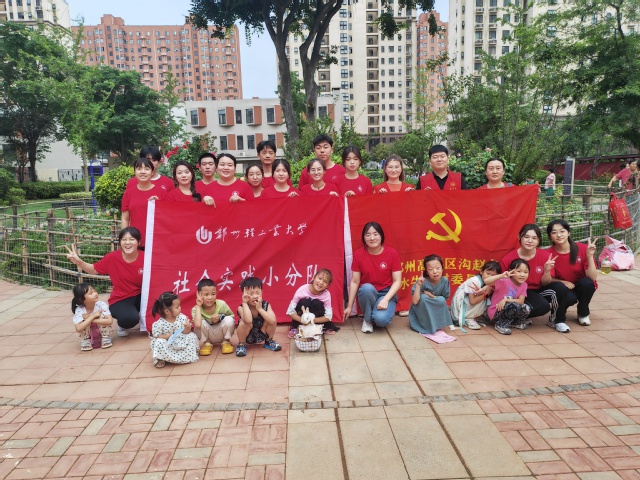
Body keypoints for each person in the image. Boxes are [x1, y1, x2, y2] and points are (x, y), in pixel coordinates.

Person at [65, 227, 144, 337]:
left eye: (131, 239)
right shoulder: (112, 258)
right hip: (122, 298)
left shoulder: (146, 257)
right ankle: (124, 324)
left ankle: (143, 317)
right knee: (129, 318)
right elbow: (93, 269)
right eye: (124, 239)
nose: (127, 242)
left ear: (139, 242)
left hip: (143, 295)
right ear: (120, 242)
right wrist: (79, 261)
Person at [344, 222, 402, 333]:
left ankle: (375, 314)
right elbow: (355, 281)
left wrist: (386, 299)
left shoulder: (392, 253)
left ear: (381, 236)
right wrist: (349, 306)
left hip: (386, 293)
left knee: (381, 320)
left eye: (375, 234)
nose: (372, 238)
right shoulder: (359, 254)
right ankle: (367, 320)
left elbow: (397, 281)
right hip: (368, 293)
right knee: (366, 288)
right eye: (368, 235)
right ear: (363, 238)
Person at [545, 219, 598, 331]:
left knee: (587, 283)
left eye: (562, 231)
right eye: (554, 232)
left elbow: (592, 277)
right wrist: (563, 282)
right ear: (550, 237)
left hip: (579, 285)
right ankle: (558, 316)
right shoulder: (548, 254)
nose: (559, 235)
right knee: (568, 296)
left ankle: (583, 313)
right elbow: (547, 279)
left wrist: (589, 256)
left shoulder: (583, 249)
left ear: (568, 232)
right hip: (563, 288)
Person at [500, 224, 558, 325]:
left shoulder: (546, 256)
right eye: (526, 237)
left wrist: (547, 270)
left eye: (534, 238)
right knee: (541, 305)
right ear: (519, 237)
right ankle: (511, 315)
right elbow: (502, 282)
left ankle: (519, 315)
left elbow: (545, 283)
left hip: (537, 290)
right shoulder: (509, 258)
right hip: (516, 291)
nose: (530, 241)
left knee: (556, 293)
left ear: (538, 240)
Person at [121, 157, 167, 246]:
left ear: (152, 172)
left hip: (157, 241)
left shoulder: (161, 193)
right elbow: (125, 219)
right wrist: (125, 239)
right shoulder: (128, 193)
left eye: (146, 169)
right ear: (134, 172)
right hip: (135, 240)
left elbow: (167, 218)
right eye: (139, 169)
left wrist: (159, 204)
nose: (142, 172)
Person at [150, 291, 199, 368]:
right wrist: (168, 336)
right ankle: (161, 358)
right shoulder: (159, 324)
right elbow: (157, 336)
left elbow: (186, 332)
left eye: (179, 305)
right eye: (177, 307)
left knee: (192, 336)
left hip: (181, 341)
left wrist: (187, 327)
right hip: (168, 343)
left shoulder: (182, 318)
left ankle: (188, 355)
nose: (180, 308)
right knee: (158, 342)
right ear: (167, 311)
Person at [235, 277, 282, 357]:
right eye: (251, 294)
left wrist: (260, 309)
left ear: (261, 292)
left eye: (258, 293)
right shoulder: (241, 307)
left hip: (262, 333)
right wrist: (245, 303)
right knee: (244, 322)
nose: (255, 296)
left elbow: (272, 321)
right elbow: (248, 320)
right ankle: (241, 344)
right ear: (244, 294)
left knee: (270, 319)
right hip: (248, 335)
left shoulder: (266, 305)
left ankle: (269, 341)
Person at [450, 261, 504, 330]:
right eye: (488, 273)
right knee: (484, 299)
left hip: (468, 303)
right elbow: (472, 301)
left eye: (493, 276)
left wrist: (486, 294)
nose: (490, 277)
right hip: (459, 309)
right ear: (481, 272)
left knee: (488, 299)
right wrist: (487, 293)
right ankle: (468, 318)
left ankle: (472, 317)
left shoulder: (491, 284)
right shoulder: (475, 281)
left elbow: (486, 297)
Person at [286, 268, 339, 338]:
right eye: (320, 278)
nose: (321, 282)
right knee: (305, 302)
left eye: (325, 281)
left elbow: (328, 316)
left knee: (317, 303)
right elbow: (290, 312)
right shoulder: (302, 290)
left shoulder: (326, 294)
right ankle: (295, 327)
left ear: (327, 286)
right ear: (314, 277)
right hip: (302, 318)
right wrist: (303, 320)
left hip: (315, 319)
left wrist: (312, 320)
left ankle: (322, 327)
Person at [409, 254, 452, 335]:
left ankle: (436, 323)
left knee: (440, 299)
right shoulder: (422, 281)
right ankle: (424, 324)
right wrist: (418, 285)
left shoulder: (444, 281)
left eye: (438, 268)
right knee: (424, 297)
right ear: (427, 272)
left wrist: (432, 296)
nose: (435, 272)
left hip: (435, 309)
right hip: (422, 312)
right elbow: (415, 301)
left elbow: (444, 300)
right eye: (431, 269)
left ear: (442, 268)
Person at [192, 278, 236, 356]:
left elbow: (231, 317)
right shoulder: (196, 309)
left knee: (229, 320)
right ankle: (207, 344)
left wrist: (220, 317)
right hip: (207, 335)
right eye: (206, 294)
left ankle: (226, 342)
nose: (210, 297)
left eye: (213, 294)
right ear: (199, 294)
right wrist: (198, 306)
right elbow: (197, 325)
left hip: (221, 333)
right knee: (200, 322)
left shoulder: (221, 304)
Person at [488, 259, 532, 335]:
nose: (522, 275)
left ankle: (514, 323)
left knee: (526, 308)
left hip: (509, 308)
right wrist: (501, 276)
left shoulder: (524, 285)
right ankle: (500, 325)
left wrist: (505, 300)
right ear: (511, 271)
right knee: (513, 305)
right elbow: (486, 281)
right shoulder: (504, 281)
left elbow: (521, 301)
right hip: (496, 311)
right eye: (519, 271)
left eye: (525, 272)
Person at [71, 283, 113, 351]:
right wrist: (93, 316)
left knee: (102, 316)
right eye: (91, 293)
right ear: (82, 299)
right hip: (88, 332)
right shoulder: (80, 310)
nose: (95, 294)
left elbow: (110, 321)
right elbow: (78, 328)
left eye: (94, 291)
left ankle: (105, 338)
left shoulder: (101, 304)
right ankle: (85, 341)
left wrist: (90, 318)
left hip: (101, 330)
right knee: (83, 321)